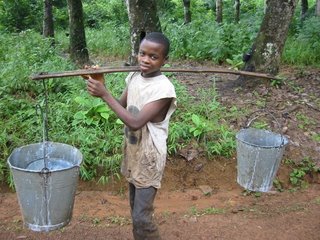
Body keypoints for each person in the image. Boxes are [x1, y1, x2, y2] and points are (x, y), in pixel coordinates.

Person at [85, 32, 176, 240]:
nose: (145, 59)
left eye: (153, 57)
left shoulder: (164, 89)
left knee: (142, 217)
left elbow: (135, 121)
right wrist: (101, 84)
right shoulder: (134, 76)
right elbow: (122, 105)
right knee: (136, 210)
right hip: (134, 151)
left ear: (164, 60)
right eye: (142, 53)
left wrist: (104, 94)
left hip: (150, 157)